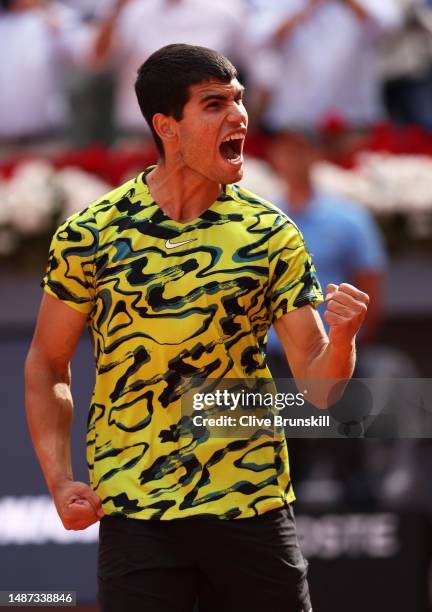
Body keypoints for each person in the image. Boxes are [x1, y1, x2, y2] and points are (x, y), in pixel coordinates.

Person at [25, 44, 369, 612]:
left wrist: (346, 338)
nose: (238, 115)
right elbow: (46, 361)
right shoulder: (90, 235)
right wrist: (60, 479)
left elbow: (320, 386)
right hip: (136, 511)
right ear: (168, 127)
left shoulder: (271, 234)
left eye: (238, 100)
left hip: (250, 503)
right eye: (214, 104)